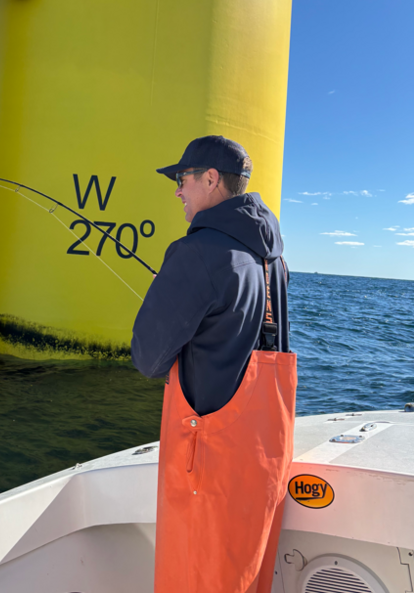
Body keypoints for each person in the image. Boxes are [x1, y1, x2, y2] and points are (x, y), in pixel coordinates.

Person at [131, 135, 297, 593]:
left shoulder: (196, 252)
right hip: (264, 461)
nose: (178, 190)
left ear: (210, 179)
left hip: (209, 468)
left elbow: (148, 358)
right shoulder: (274, 259)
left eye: (182, 179)